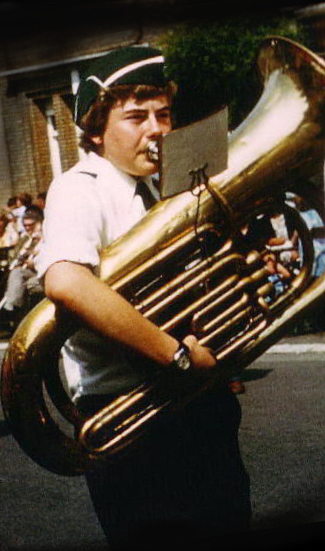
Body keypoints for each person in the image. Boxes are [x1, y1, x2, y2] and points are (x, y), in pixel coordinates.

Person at [36, 46, 251, 550]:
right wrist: (176, 358)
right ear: (95, 128)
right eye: (135, 117)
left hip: (195, 405)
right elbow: (65, 280)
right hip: (133, 419)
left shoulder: (162, 190)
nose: (155, 128)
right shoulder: (80, 188)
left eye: (163, 114)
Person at [0, 210, 43, 330]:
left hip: (38, 270)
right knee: (11, 274)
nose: (28, 228)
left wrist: (33, 262)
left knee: (17, 274)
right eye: (25, 226)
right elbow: (15, 256)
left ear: (39, 223)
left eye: (31, 225)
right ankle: (10, 308)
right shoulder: (25, 239)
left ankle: (10, 306)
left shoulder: (45, 237)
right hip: (23, 270)